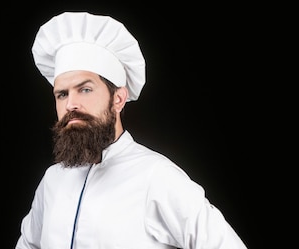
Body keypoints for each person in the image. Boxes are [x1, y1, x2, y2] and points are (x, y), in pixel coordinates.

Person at [14, 11, 247, 249]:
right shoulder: (53, 180)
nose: (71, 104)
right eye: (62, 94)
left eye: (85, 89)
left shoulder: (156, 176)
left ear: (118, 99)